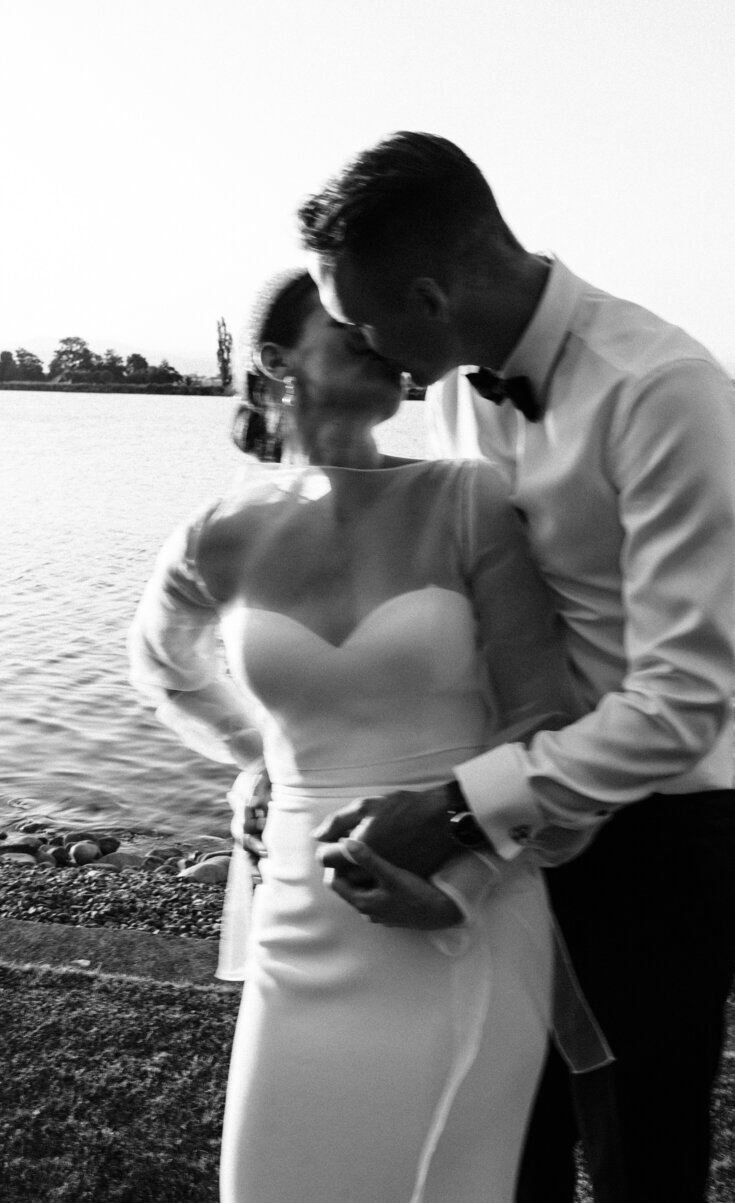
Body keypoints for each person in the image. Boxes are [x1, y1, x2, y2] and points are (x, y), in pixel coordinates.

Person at [299, 131, 735, 1203]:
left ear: (427, 295)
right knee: (506, 1141)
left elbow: (681, 704)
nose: (367, 353)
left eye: (362, 324)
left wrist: (457, 809)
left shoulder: (662, 389)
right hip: (502, 832)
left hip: (652, 843)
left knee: (640, 1156)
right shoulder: (458, 391)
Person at [128, 269, 607, 1203]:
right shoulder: (216, 533)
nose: (383, 344)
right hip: (302, 905)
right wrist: (257, 760)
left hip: (469, 898)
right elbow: (168, 673)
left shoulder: (469, 500)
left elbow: (542, 718)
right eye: (350, 331)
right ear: (274, 363)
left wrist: (459, 882)